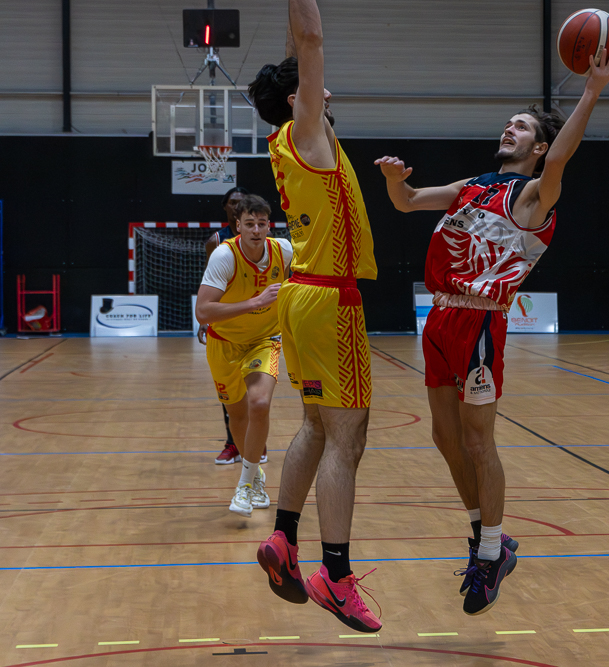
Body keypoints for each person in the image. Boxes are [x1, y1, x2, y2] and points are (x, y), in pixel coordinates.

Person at [376, 50, 609, 615]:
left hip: (481, 320)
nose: (509, 127)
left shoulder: (534, 194)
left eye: (523, 126)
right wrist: (394, 181)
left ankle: (489, 553)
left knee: (479, 441)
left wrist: (592, 92)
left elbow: (560, 160)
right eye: (509, 122)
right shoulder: (474, 185)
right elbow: (409, 203)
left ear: (537, 147)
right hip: (438, 317)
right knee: (444, 438)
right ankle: (487, 535)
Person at [248, 0, 381, 633]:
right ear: (300, 92)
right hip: (329, 299)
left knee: (315, 425)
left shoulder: (290, 139)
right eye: (309, 79)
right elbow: (309, 34)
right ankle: (335, 571)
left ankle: (282, 538)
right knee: (348, 438)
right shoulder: (306, 129)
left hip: (302, 294)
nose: (322, 83)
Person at [195, 195, 291, 517]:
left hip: (265, 339)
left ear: (269, 226)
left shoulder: (284, 251)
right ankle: (257, 477)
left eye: (262, 224)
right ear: (238, 226)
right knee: (237, 415)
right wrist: (255, 302)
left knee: (260, 403)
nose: (256, 230)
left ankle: (246, 484)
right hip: (223, 343)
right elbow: (203, 311)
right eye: (249, 224)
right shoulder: (225, 255)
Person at [198, 187, 270, 466]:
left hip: (260, 331)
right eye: (233, 203)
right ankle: (233, 444)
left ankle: (255, 448)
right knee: (232, 398)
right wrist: (208, 320)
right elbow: (209, 288)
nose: (237, 205)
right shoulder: (217, 244)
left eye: (260, 223)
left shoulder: (274, 247)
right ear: (229, 210)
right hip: (225, 327)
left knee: (258, 400)